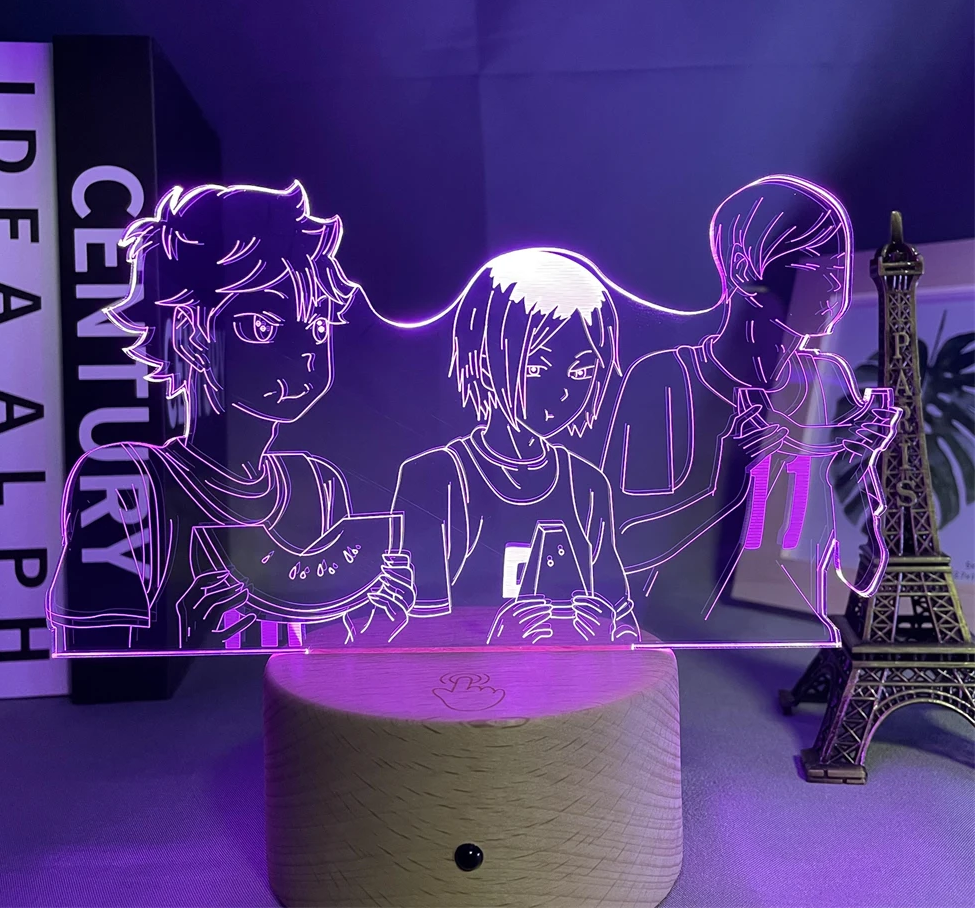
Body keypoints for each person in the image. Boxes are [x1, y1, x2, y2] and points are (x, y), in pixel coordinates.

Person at [47, 182, 413, 655]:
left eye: (319, 324)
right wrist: (185, 640)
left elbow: (319, 644)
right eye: (262, 326)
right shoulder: (124, 481)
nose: (305, 351)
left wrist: (373, 622)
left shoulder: (318, 484)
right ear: (190, 335)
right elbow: (97, 661)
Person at [601, 175, 899, 644]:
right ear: (745, 267)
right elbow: (619, 548)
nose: (837, 290)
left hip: (799, 623)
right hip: (666, 631)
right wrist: (735, 471)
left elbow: (861, 564)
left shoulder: (827, 377)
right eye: (819, 267)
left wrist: (858, 461)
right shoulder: (667, 380)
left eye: (841, 270)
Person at [389, 249, 639, 646]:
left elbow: (621, 615)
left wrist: (606, 632)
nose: (562, 392)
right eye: (537, 367)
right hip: (460, 681)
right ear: (484, 363)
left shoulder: (588, 485)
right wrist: (499, 639)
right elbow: (407, 630)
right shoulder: (435, 477)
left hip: (573, 677)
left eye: (581, 371)